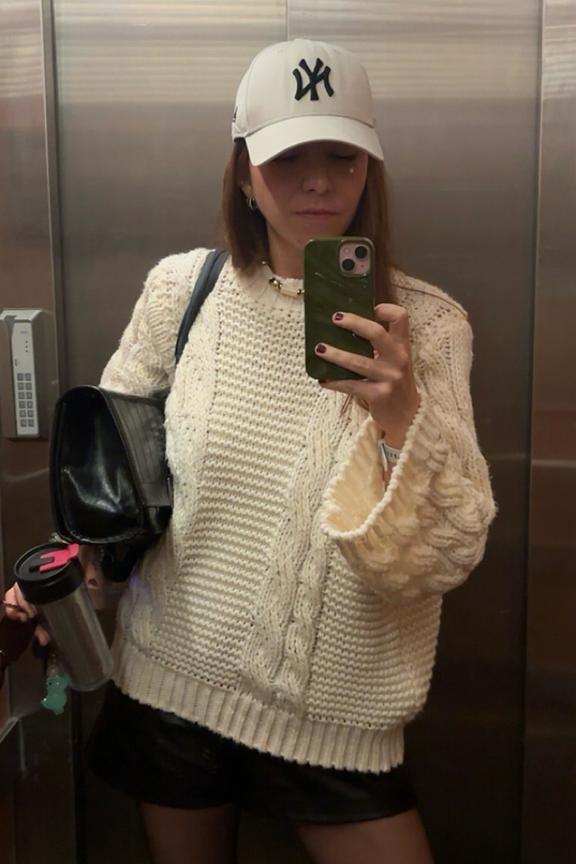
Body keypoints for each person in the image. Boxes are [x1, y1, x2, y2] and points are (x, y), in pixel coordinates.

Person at [4, 38, 496, 864]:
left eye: (341, 157)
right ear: (242, 173)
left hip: (339, 715)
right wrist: (64, 567)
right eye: (286, 157)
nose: (318, 182)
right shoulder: (181, 292)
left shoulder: (431, 329)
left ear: (369, 171)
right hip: (172, 683)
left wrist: (401, 417)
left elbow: (447, 553)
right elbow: (110, 474)